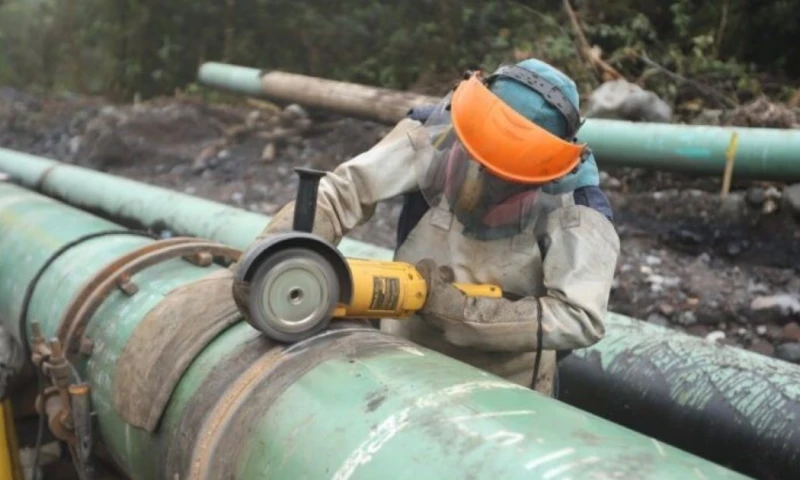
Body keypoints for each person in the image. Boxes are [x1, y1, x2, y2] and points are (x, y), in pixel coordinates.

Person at [236, 58, 620, 397]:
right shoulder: (432, 134)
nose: (485, 177)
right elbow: (342, 194)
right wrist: (279, 252)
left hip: (505, 384)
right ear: (471, 121)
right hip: (402, 347)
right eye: (481, 156)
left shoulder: (578, 205)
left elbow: (580, 317)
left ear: (547, 163)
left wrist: (466, 312)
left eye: (507, 171)